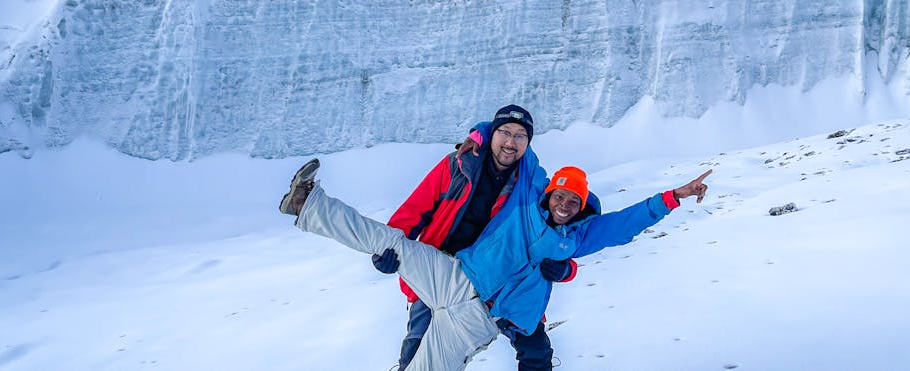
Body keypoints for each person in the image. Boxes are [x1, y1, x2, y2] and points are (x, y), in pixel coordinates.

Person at [278, 128, 712, 371]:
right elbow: (514, 135)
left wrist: (675, 195)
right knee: (394, 242)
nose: (563, 204)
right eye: (560, 195)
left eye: (572, 202)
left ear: (580, 208)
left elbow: (628, 222)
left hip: (479, 320)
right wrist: (479, 133)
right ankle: (308, 205)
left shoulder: (578, 237)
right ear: (549, 192)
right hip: (456, 276)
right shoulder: (527, 195)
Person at [372, 104, 573, 371]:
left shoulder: (532, 187)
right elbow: (416, 209)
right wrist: (387, 249)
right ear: (492, 133)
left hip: (499, 279)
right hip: (440, 270)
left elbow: (557, 235)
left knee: (536, 350)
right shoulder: (457, 166)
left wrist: (565, 268)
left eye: (520, 136)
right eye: (505, 132)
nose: (511, 142)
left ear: (528, 143)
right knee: (419, 348)